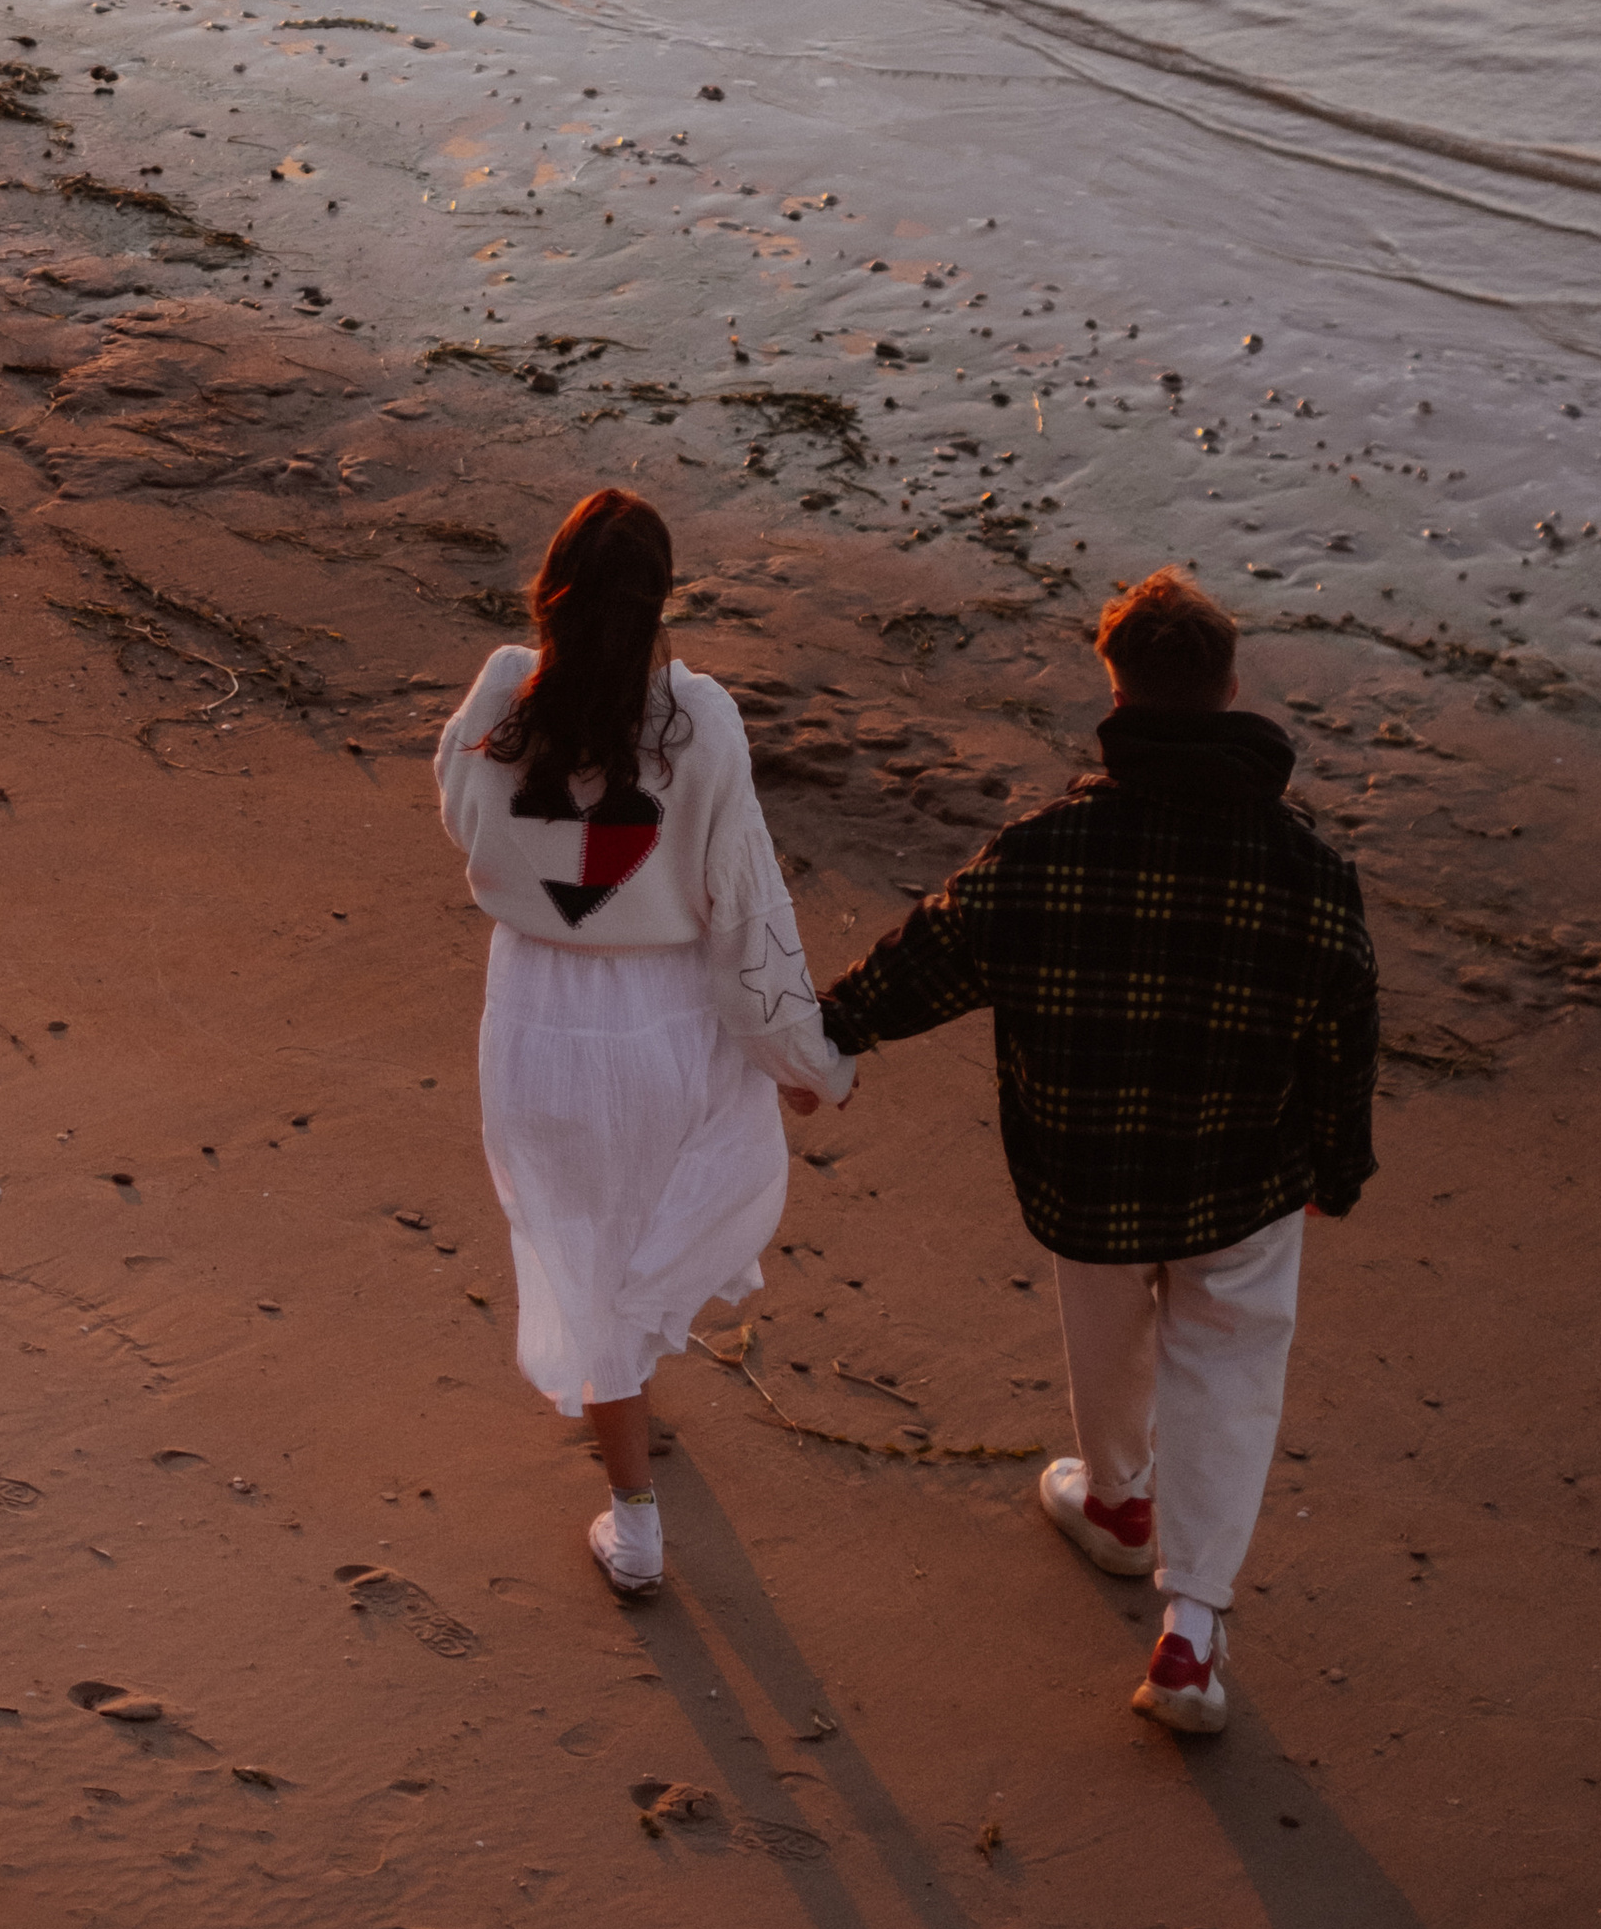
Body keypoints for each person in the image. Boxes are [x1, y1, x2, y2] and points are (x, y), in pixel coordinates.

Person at [816, 568, 1378, 1734]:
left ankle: (1119, 1505)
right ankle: (1191, 1632)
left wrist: (818, 1039)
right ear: (1230, 691)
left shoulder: (1045, 854)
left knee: (1106, 1332)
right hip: (1242, 1180)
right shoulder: (1310, 877)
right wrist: (1337, 1168)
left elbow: (916, 967)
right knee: (1227, 1377)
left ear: (1111, 689)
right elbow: (1343, 1037)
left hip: (1089, 1171)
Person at [436, 489, 851, 1602]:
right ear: (660, 602)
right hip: (666, 1024)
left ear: (547, 592)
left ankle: (634, 1517)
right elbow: (747, 906)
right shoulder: (699, 720)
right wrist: (799, 1059)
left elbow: (460, 818)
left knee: (581, 1249)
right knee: (637, 1252)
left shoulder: (498, 697)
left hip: (534, 1021)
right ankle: (634, 1479)